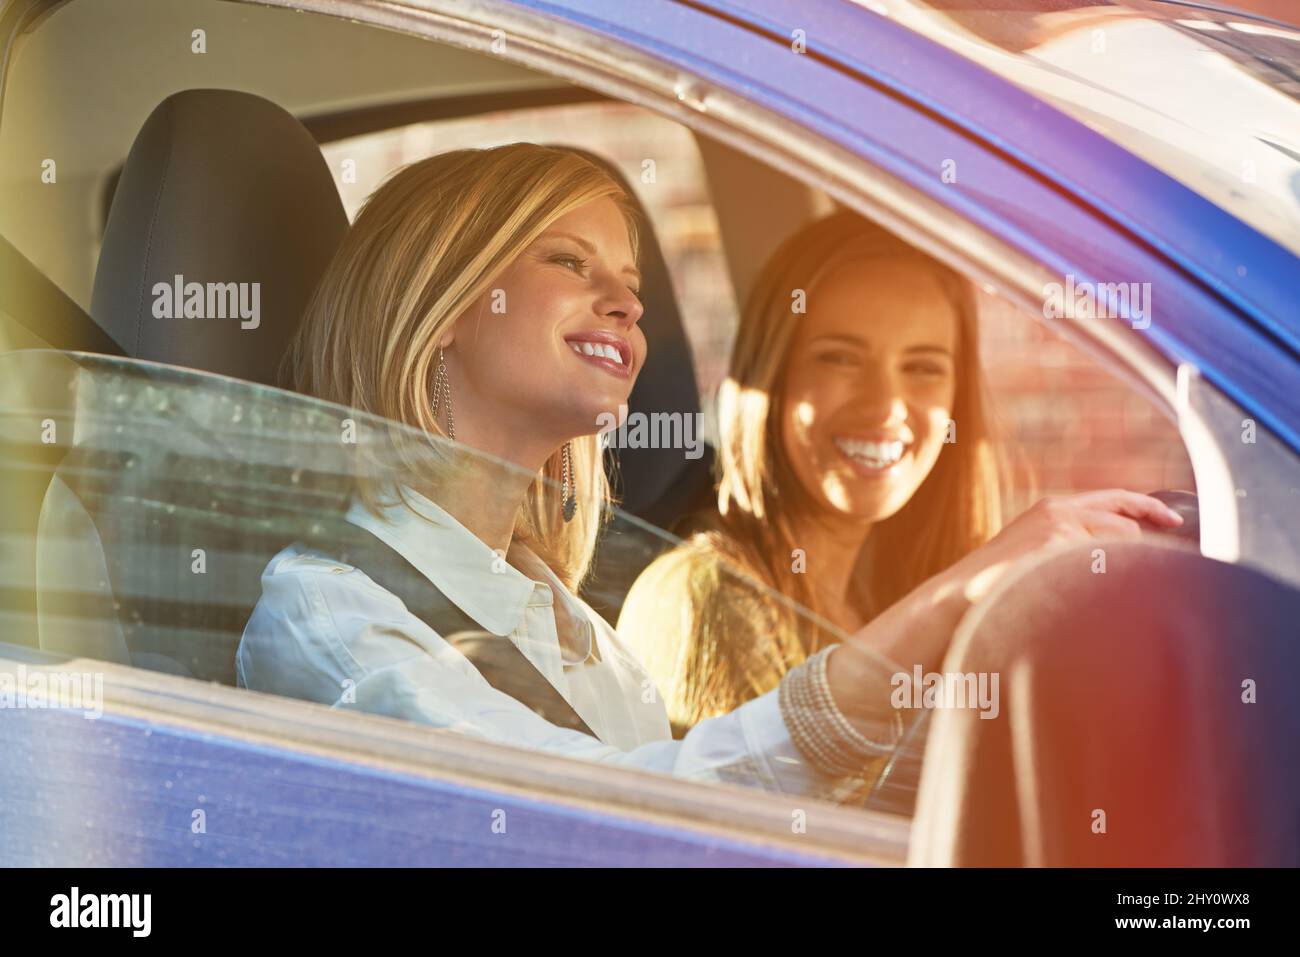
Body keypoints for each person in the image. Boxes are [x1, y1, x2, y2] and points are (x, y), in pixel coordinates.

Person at [236, 143, 1182, 805]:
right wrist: (949, 607)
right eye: (570, 261)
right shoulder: (332, 614)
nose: (626, 305)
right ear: (439, 304)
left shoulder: (564, 621)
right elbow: (624, 820)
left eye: (634, 289)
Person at [619, 210, 1002, 746]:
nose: (885, 407)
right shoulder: (708, 600)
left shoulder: (879, 593)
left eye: (923, 368)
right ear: (772, 374)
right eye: (840, 359)